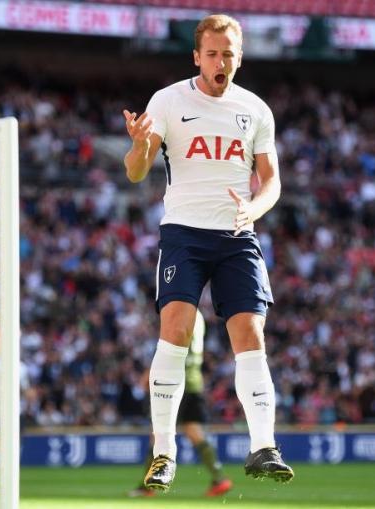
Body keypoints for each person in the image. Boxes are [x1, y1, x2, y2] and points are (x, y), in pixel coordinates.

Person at [122, 13, 293, 491]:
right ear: (197, 56)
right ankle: (163, 453)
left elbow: (272, 181)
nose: (221, 62)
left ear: (240, 58)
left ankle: (263, 445)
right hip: (184, 232)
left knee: (250, 333)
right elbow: (136, 172)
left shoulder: (255, 109)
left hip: (237, 234)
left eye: (229, 54)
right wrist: (138, 147)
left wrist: (253, 209)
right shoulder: (168, 101)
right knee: (175, 327)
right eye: (212, 53)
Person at [128, 310, 233, 498]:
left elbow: (171, 347)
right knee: (194, 432)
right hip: (193, 382)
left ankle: (147, 486)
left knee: (159, 434)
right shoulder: (198, 316)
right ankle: (219, 477)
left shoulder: (180, 310)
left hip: (174, 381)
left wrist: (149, 375)